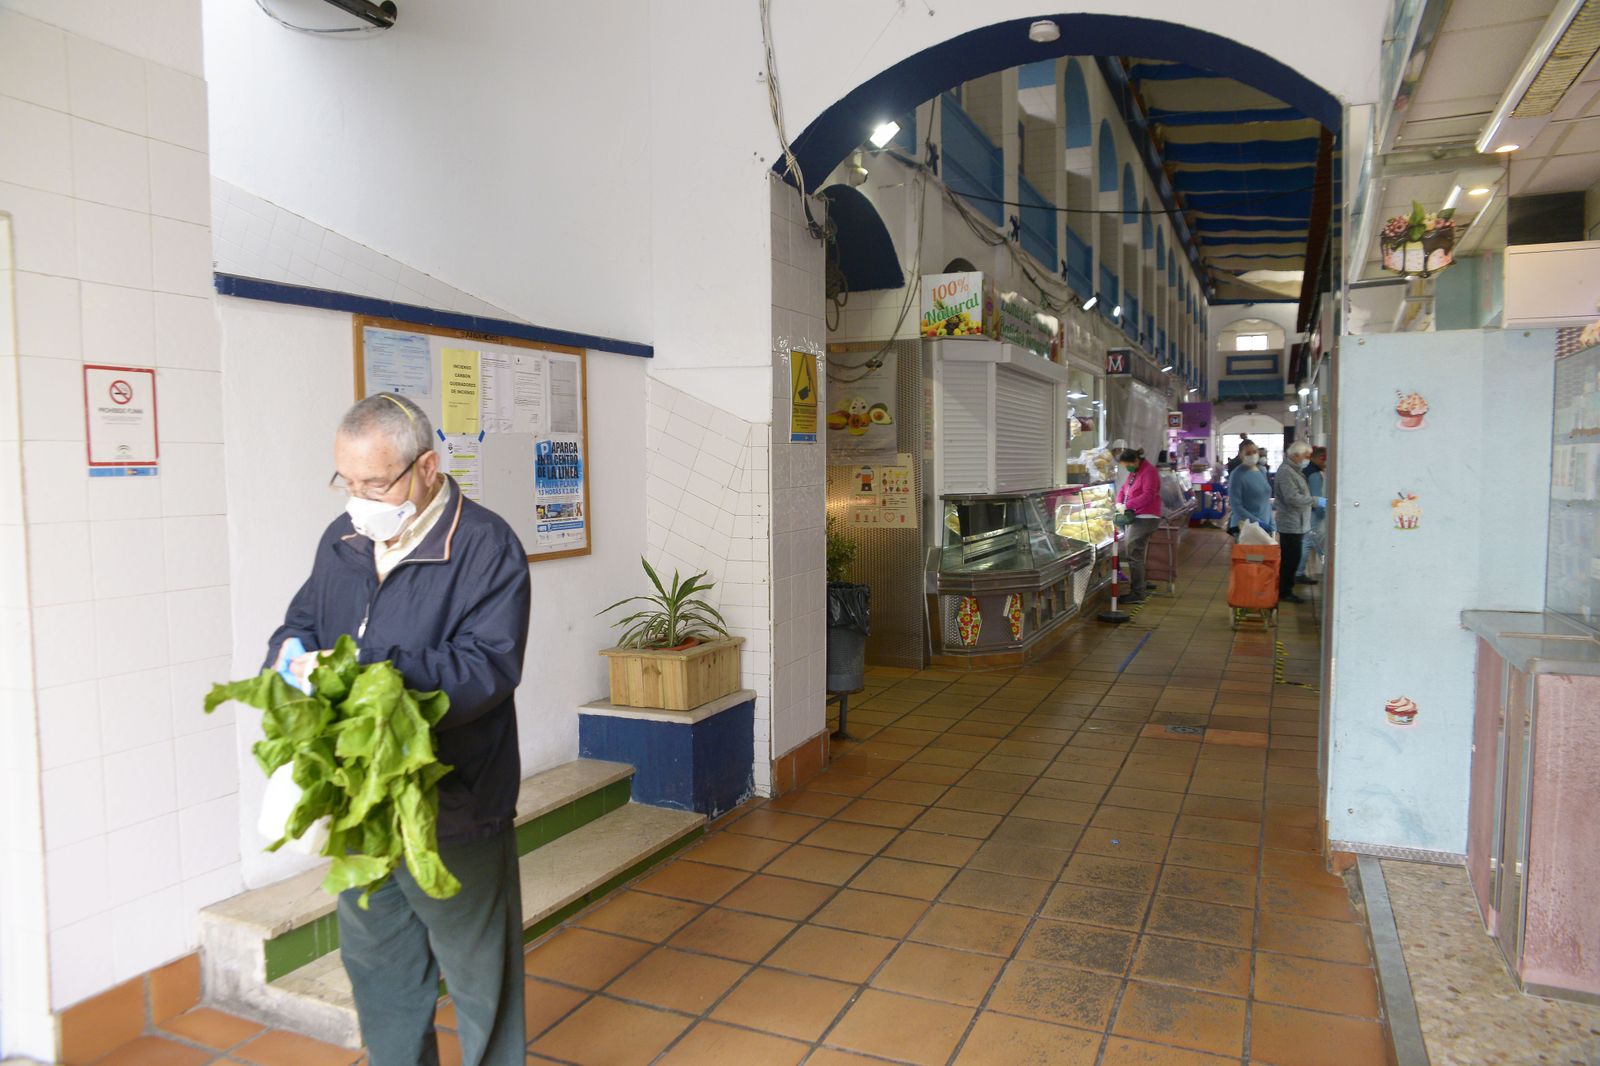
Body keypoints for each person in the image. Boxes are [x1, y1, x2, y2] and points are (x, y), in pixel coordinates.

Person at [267, 393, 532, 1066]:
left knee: (481, 982)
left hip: (454, 802)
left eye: (375, 483)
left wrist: (370, 670)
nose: (359, 499)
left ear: (427, 468)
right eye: (347, 483)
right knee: (382, 979)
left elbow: (487, 667)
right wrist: (289, 659)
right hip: (360, 802)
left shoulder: (485, 545)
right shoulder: (344, 537)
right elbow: (301, 621)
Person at [1273, 440, 1322, 605]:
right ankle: (1284, 591)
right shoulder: (1286, 472)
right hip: (1290, 523)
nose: (1308, 460)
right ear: (1295, 456)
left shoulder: (1295, 470)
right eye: (1306, 456)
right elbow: (1292, 498)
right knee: (1290, 559)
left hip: (1297, 522)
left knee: (1293, 557)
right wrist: (1315, 500)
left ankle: (1286, 588)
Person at [1113, 447, 1162, 602]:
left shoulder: (1149, 472)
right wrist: (1119, 502)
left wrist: (1127, 505)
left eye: (1128, 465)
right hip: (1137, 516)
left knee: (1133, 554)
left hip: (1146, 517)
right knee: (1137, 553)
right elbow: (1124, 489)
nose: (1127, 469)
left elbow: (1148, 495)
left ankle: (1138, 593)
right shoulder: (1135, 472)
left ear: (1135, 460)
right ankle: (1141, 584)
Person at [1225, 440, 1273, 539]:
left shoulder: (1262, 471)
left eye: (1254, 452)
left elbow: (1265, 499)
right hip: (1246, 526)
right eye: (1248, 453)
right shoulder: (1237, 475)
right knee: (1252, 555)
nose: (1252, 455)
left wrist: (1271, 522)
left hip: (1264, 523)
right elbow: (1236, 506)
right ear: (1240, 455)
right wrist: (1257, 522)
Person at [1297, 446, 1327, 584]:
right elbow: (1316, 498)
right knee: (1308, 542)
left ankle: (1298, 572)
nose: (1325, 463)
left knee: (1306, 541)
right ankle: (1299, 573)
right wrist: (1322, 514)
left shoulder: (1306, 471)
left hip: (1304, 512)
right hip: (1312, 514)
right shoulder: (1314, 475)